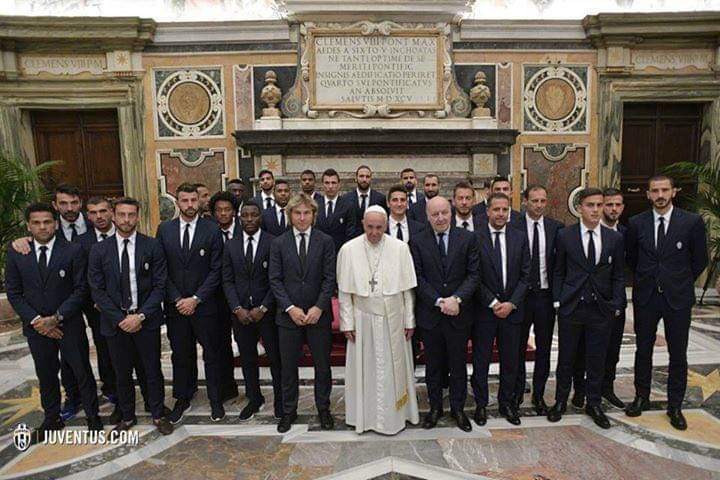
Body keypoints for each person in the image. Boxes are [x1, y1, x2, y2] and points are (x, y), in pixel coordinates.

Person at [5, 203, 102, 444]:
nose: (42, 227)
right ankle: (51, 419)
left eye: (47, 222)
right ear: (28, 226)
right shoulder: (17, 253)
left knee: (81, 371)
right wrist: (37, 321)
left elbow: (81, 289)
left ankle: (93, 417)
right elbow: (14, 292)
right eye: (36, 223)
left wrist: (57, 317)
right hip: (37, 329)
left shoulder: (73, 250)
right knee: (46, 374)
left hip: (68, 324)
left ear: (56, 224)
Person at [625, 175, 708, 430]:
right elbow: (631, 258)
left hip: (678, 298)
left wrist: (678, 280)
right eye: (655, 191)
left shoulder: (691, 222)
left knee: (678, 353)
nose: (660, 195)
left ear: (673, 192)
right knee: (643, 349)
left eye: (664, 190)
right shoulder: (636, 223)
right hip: (647, 297)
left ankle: (675, 405)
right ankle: (641, 396)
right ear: (648, 194)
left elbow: (700, 259)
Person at [87, 197, 173, 435]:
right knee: (121, 373)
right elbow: (97, 289)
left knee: (152, 370)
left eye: (131, 215)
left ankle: (158, 414)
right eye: (122, 215)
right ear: (114, 216)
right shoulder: (99, 250)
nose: (126, 220)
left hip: (146, 321)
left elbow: (160, 285)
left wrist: (140, 316)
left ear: (138, 217)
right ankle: (126, 416)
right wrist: (120, 319)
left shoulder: (152, 246)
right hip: (115, 324)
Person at [547, 188, 625, 429]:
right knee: (566, 358)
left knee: (596, 359)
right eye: (591, 205)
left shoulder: (614, 238)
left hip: (601, 309)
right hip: (572, 307)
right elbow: (558, 270)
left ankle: (594, 403)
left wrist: (616, 303)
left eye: (599, 205)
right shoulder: (565, 235)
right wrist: (558, 300)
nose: (596, 210)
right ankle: (560, 401)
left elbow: (618, 274)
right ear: (580, 208)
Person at [338, 206, 419, 434]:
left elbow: (407, 291)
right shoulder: (348, 249)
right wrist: (347, 323)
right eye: (370, 227)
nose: (374, 233)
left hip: (393, 319)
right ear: (363, 224)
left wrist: (409, 320)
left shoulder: (400, 248)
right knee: (366, 373)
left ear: (386, 225)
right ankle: (365, 418)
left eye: (379, 228)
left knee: (393, 372)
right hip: (362, 320)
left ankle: (396, 417)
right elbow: (344, 292)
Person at [156, 183, 225, 423]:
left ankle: (215, 399)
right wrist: (177, 299)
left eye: (193, 200)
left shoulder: (212, 229)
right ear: (177, 203)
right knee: (181, 354)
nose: (189, 205)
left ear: (199, 201)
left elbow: (217, 269)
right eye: (184, 200)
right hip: (176, 307)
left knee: (212, 354)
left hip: (204, 305)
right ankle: (182, 397)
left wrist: (196, 299)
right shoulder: (165, 230)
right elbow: (161, 269)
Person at [269, 193, 337, 433]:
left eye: (306, 213)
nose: (302, 217)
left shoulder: (325, 241)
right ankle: (289, 411)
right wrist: (290, 308)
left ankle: (323, 409)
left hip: (318, 315)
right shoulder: (278, 243)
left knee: (322, 366)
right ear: (290, 215)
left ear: (314, 215)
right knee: (288, 368)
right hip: (289, 317)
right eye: (297, 213)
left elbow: (330, 278)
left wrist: (319, 307)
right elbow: (275, 280)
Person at [411, 196, 480, 432]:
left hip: (459, 314)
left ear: (451, 212)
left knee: (458, 364)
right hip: (431, 315)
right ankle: (435, 408)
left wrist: (457, 299)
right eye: (435, 214)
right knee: (433, 366)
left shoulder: (468, 238)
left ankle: (458, 409)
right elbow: (417, 277)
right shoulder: (417, 241)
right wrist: (439, 301)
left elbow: (474, 275)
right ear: (427, 216)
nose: (440, 218)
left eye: (444, 213)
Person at [472, 193, 530, 426]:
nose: (500, 214)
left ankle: (507, 403)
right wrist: (494, 303)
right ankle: (481, 404)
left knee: (510, 360)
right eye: (496, 209)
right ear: (487, 211)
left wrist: (511, 303)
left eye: (505, 210)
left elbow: (526, 275)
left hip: (512, 311)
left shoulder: (520, 237)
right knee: (481, 360)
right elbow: (473, 276)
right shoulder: (475, 238)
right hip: (484, 312)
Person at [222, 200, 283, 420]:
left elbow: (276, 279)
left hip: (267, 313)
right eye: (245, 215)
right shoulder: (231, 245)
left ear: (260, 217)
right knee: (248, 359)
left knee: (275, 358)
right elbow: (227, 280)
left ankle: (280, 399)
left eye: (253, 215)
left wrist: (263, 307)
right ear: (239, 218)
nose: (249, 219)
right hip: (241, 315)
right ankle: (254, 398)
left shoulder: (273, 243)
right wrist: (237, 308)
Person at [514, 185, 563, 415]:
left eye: (543, 201)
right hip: (521, 297)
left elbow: (560, 265)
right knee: (517, 347)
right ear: (525, 201)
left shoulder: (556, 228)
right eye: (535, 201)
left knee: (543, 348)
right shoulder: (514, 226)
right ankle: (516, 392)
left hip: (545, 296)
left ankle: (539, 394)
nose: (539, 205)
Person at [209, 191, 241, 403]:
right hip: (216, 297)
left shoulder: (244, 229)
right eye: (219, 210)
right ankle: (227, 387)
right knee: (220, 344)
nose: (223, 214)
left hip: (241, 297)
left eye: (227, 209)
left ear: (234, 212)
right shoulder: (209, 232)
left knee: (245, 345)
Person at [598, 187, 628, 409]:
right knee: (585, 349)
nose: (613, 209)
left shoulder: (627, 233)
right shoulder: (586, 231)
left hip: (615, 302)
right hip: (590, 302)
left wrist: (618, 301)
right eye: (609, 204)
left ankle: (607, 388)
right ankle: (582, 389)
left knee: (612, 349)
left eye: (617, 205)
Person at [315, 168, 356, 252]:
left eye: (333, 183)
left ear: (339, 185)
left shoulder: (348, 206)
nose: (330, 186)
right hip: (319, 252)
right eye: (327, 183)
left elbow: (350, 233)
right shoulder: (315, 205)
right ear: (322, 185)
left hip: (341, 251)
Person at [341, 165, 388, 236]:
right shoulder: (346, 198)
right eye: (361, 176)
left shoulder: (380, 198)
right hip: (352, 239)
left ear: (371, 179)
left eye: (367, 176)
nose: (364, 179)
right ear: (356, 178)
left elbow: (384, 220)